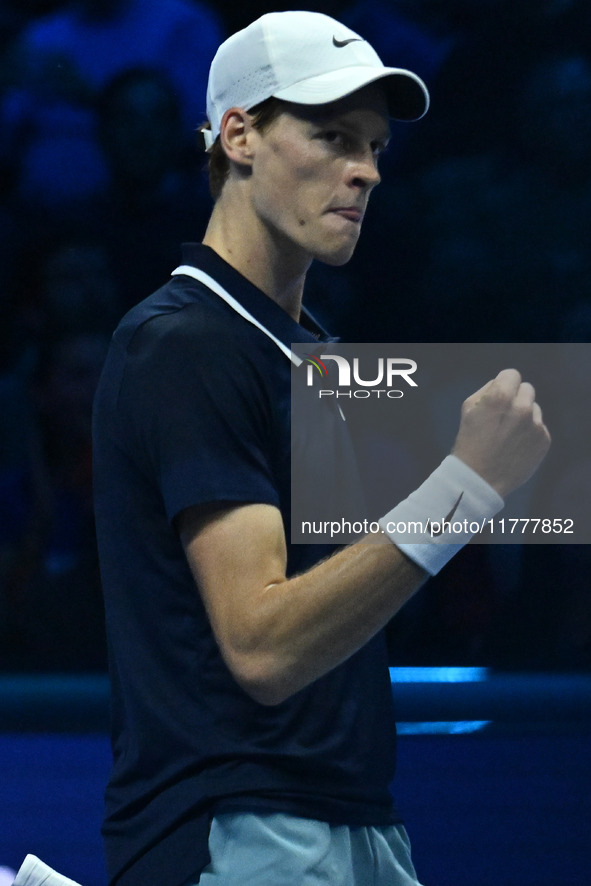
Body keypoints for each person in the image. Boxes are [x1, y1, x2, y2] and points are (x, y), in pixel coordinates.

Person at [88, 11, 550, 886]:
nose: (365, 170)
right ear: (239, 135)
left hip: (356, 820)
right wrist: (468, 487)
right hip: (240, 827)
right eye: (331, 135)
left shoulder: (311, 355)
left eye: (374, 145)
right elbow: (263, 646)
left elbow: (347, 602)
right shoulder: (184, 341)